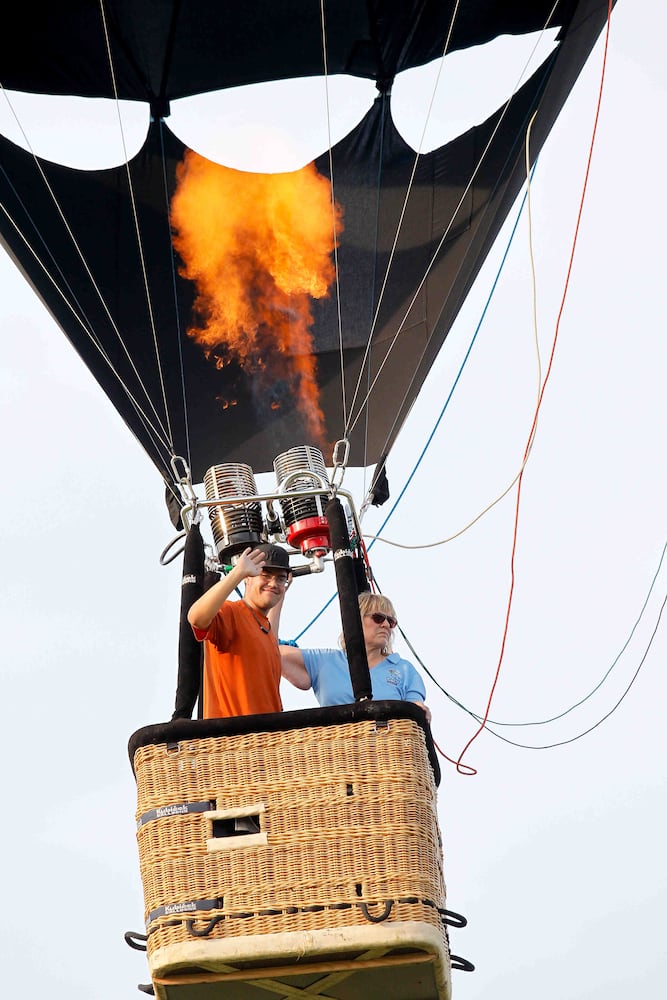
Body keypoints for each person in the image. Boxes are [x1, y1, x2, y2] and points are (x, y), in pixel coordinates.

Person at [277, 591, 431, 722]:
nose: (385, 625)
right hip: (337, 751)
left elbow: (415, 709)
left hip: (384, 751)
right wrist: (276, 595)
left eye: (391, 621)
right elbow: (272, 652)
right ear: (355, 620)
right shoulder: (326, 661)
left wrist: (422, 711)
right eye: (378, 618)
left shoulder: (403, 669)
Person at [187, 542, 292, 718]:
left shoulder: (266, 631)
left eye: (280, 579)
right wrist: (237, 573)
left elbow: (267, 632)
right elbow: (195, 618)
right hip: (234, 740)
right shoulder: (231, 613)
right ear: (247, 578)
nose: (273, 583)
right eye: (265, 575)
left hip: (265, 741)